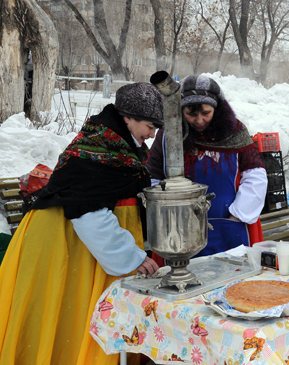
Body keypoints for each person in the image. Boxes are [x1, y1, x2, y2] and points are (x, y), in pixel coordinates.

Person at [0, 82, 163, 364]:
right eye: (150, 125)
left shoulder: (115, 143)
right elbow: (88, 211)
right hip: (61, 243)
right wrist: (130, 257)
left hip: (81, 244)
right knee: (64, 314)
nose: (152, 134)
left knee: (71, 316)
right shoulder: (101, 148)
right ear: (127, 117)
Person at [147, 74, 267, 257]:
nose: (199, 120)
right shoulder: (168, 136)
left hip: (230, 226)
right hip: (178, 229)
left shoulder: (234, 132)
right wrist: (165, 215)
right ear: (180, 110)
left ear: (217, 108)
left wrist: (236, 216)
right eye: (191, 114)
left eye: (206, 113)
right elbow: (154, 176)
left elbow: (255, 175)